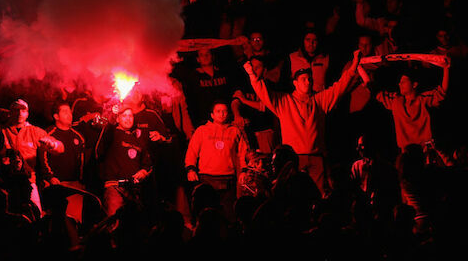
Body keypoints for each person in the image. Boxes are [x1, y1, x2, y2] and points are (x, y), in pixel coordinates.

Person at [245, 50, 361, 193]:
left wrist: (354, 64)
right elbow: (264, 93)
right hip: (294, 160)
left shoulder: (319, 100)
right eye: (304, 79)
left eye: (310, 79)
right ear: (295, 83)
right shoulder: (284, 101)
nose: (308, 82)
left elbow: (340, 86)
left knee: (317, 195)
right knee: (295, 195)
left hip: (316, 158)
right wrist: (252, 75)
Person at [185, 100, 250, 221]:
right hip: (207, 177)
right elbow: (192, 151)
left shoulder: (234, 131)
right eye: (218, 111)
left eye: (224, 111)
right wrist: (190, 169)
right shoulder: (202, 131)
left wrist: (243, 170)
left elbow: (243, 153)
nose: (222, 114)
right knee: (207, 215)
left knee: (228, 215)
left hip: (228, 178)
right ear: (212, 115)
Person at [375, 59, 450, 152]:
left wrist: (446, 68)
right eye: (399, 82)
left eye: (403, 81)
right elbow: (374, 90)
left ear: (414, 84)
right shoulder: (396, 100)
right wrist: (356, 66)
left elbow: (442, 91)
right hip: (406, 152)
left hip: (425, 150)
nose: (399, 84)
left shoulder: (423, 99)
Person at [96, 106, 152, 216]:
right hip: (114, 188)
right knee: (114, 224)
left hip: (133, 190)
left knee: (132, 227)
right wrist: (112, 115)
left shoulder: (138, 140)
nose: (128, 118)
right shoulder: (112, 133)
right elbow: (100, 150)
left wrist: (143, 172)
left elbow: (148, 164)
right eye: (124, 115)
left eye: (130, 116)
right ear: (118, 119)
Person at [38, 100, 86, 222]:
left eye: (70, 112)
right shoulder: (48, 133)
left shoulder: (78, 136)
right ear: (56, 116)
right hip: (56, 184)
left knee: (75, 220)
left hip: (74, 185)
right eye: (65, 112)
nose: (69, 115)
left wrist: (80, 180)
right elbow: (43, 157)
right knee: (56, 220)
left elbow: (81, 160)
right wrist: (50, 177)